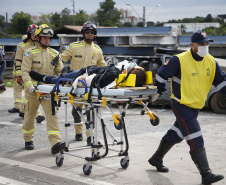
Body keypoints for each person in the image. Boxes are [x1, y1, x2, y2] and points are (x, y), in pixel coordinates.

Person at [148, 31, 226, 184]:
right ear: (192, 45)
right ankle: (206, 174)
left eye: (207, 43)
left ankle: (156, 158)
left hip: (196, 106)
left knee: (177, 133)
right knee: (195, 135)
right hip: (181, 104)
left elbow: (222, 82)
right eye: (202, 44)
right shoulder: (179, 60)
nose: (205, 46)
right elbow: (161, 75)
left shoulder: (211, 61)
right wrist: (159, 90)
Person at [21, 24, 65, 154]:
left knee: (53, 115)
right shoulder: (29, 53)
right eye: (44, 38)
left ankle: (55, 143)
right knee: (29, 115)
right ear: (38, 38)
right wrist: (29, 86)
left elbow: (61, 73)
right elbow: (25, 72)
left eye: (49, 38)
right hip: (33, 91)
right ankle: (28, 139)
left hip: (48, 90)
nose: (47, 40)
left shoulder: (55, 54)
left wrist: (62, 86)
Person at [61, 21, 107, 145]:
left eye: (92, 33)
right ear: (83, 33)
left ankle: (89, 136)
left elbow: (103, 66)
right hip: (75, 85)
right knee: (76, 111)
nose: (90, 35)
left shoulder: (97, 50)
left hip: (90, 85)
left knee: (91, 111)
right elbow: (61, 59)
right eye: (87, 32)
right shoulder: (74, 47)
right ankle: (78, 132)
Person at [8, 25, 45, 124]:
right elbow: (18, 61)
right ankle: (38, 115)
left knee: (28, 95)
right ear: (29, 34)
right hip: (25, 74)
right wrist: (18, 75)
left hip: (36, 74)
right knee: (32, 94)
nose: (34, 35)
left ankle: (22, 110)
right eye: (32, 33)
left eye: (35, 34)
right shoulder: (22, 46)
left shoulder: (39, 45)